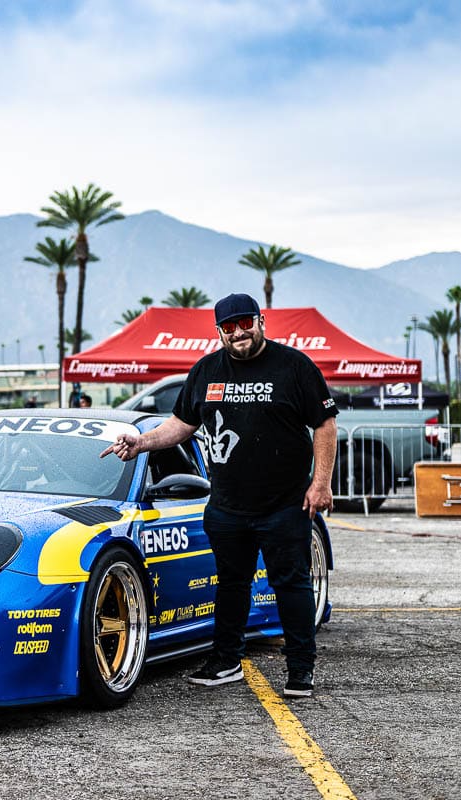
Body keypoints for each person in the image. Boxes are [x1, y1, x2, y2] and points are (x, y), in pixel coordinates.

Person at [101, 292, 337, 698]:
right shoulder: (207, 370)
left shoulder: (294, 366)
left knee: (292, 585)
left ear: (261, 321)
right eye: (229, 327)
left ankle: (301, 669)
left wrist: (321, 483)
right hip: (227, 505)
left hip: (284, 503)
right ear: (219, 332)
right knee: (230, 584)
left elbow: (325, 424)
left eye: (245, 323)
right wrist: (141, 442)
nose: (239, 332)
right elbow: (181, 425)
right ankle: (225, 660)